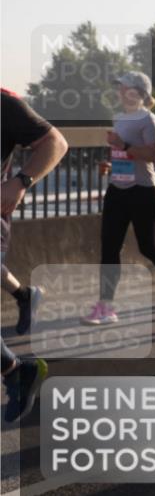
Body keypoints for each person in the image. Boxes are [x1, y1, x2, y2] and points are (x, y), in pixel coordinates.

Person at [80, 73, 155, 325]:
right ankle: (106, 306)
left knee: (148, 247)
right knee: (109, 248)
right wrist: (112, 162)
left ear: (138, 93)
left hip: (143, 191)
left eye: (125, 88)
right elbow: (124, 152)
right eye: (119, 87)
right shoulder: (119, 118)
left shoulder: (148, 119)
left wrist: (124, 146)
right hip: (118, 189)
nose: (120, 92)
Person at [1, 89, 68, 422]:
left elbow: (55, 143)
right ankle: (15, 371)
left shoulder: (4, 103)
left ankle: (16, 371)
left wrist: (20, 182)